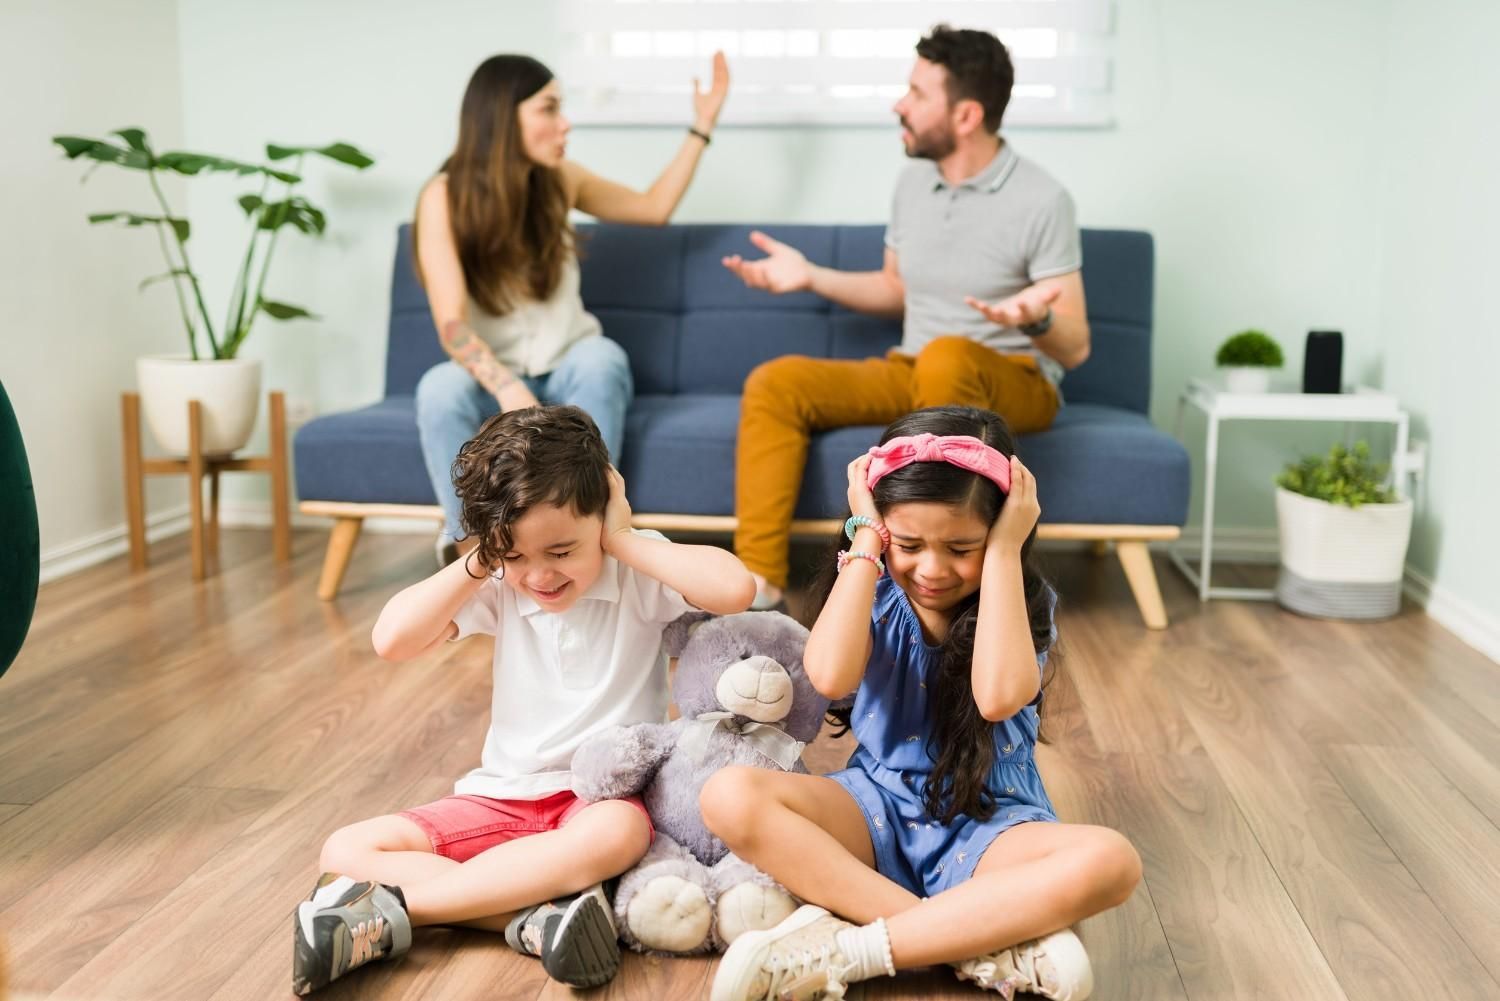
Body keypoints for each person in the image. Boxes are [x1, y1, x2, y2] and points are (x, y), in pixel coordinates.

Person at [290, 405, 756, 995]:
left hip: (594, 799)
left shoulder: (633, 567)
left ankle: (395, 913)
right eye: (516, 557)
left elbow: (735, 589)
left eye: (561, 552)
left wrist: (622, 538)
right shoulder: (496, 578)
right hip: (500, 797)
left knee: (620, 835)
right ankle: (531, 919)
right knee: (346, 848)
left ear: (600, 517)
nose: (538, 576)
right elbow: (391, 640)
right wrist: (482, 559)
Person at [699, 406, 1140, 1001]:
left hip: (991, 826)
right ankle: (973, 942)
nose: (932, 569)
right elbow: (828, 674)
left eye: (963, 547)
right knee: (728, 794)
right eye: (908, 543)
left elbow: (998, 697)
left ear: (1004, 528)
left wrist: (1005, 552)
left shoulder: (1022, 602)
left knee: (1113, 861)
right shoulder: (871, 586)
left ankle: (855, 949)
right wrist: (866, 542)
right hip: (875, 808)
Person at [721, 25, 1090, 610]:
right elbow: (896, 287)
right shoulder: (914, 183)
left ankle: (932, 576)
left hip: (1013, 375)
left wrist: (1034, 318)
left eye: (917, 93)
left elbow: (1075, 348)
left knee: (946, 354)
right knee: (776, 383)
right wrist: (809, 274)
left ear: (966, 114)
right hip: (916, 370)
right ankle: (758, 584)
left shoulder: (1044, 200)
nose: (900, 104)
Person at [415, 51, 730, 564]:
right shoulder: (444, 197)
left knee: (602, 358)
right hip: (491, 378)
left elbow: (653, 208)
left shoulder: (561, 180)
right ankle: (474, 551)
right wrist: (507, 388)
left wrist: (702, 124)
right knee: (438, 389)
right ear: (502, 115)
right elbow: (452, 324)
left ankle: (592, 535)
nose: (565, 124)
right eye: (549, 108)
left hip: (567, 366)